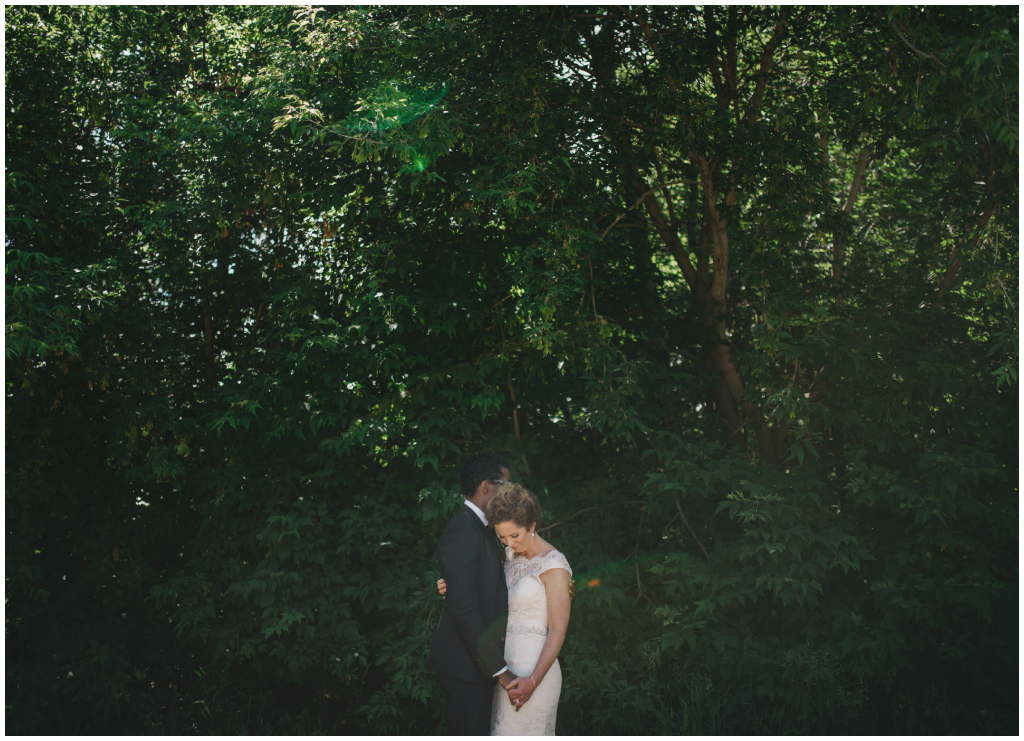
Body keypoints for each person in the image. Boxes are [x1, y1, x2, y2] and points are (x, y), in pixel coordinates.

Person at [438, 483, 573, 735]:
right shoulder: (509, 558)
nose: (509, 544)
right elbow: (484, 594)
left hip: (535, 670)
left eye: (515, 536)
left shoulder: (554, 565)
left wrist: (533, 680)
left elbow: (557, 630)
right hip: (503, 671)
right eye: (502, 537)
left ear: (532, 525)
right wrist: (453, 585)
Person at [426, 452, 520, 735]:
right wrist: (500, 670)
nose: (509, 492)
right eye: (505, 484)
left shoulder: (484, 529)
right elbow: (465, 609)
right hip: (465, 666)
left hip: (475, 664)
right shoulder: (462, 531)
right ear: (485, 486)